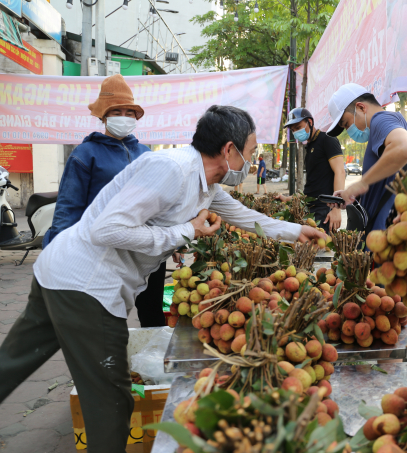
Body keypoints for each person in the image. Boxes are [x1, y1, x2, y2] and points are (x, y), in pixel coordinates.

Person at [0, 105, 325, 452]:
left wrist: (296, 232)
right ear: (229, 150)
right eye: (250, 151)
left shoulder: (205, 184)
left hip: (59, 273)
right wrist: (186, 231)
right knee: (110, 402)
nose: (251, 159)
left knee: (12, 362)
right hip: (87, 286)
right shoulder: (170, 169)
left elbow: (241, 215)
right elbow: (108, 229)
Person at [40, 74, 168, 328]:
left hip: (146, 248)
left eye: (129, 112)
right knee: (106, 315)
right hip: (107, 251)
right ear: (104, 116)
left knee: (152, 312)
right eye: (117, 111)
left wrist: (173, 238)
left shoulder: (146, 154)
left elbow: (159, 202)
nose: (124, 117)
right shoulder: (85, 154)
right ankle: (106, 363)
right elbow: (69, 206)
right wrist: (58, 252)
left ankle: (151, 363)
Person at [325, 83, 407, 236]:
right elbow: (389, 180)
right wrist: (354, 194)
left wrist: (362, 183)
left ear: (361, 107)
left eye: (346, 123)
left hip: (384, 234)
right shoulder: (388, 123)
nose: (349, 130)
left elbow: (404, 147)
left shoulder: (381, 119)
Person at [276, 108, 345, 232]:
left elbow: (340, 172)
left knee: (321, 249)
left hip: (324, 210)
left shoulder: (328, 139)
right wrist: (288, 198)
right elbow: (312, 188)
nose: (296, 132)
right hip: (310, 210)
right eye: (293, 130)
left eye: (298, 127)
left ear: (310, 122)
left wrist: (336, 209)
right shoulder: (310, 146)